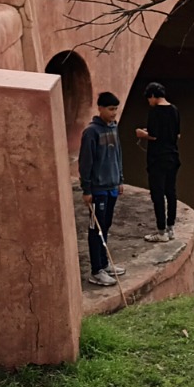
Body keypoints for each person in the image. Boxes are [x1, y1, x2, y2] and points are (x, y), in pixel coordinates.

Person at [78, 91, 126, 287]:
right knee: (96, 228)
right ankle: (96, 270)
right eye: (110, 109)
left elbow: (118, 155)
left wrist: (120, 179)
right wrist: (87, 189)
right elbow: (85, 163)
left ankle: (105, 264)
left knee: (105, 226)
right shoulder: (91, 132)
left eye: (116, 109)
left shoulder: (113, 127)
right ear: (100, 108)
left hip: (112, 186)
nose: (114, 113)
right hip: (97, 189)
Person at [134, 81, 181, 243]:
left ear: (153, 96)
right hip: (172, 156)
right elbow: (177, 135)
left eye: (149, 98)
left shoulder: (155, 112)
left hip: (157, 159)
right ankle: (171, 228)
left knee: (158, 194)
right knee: (171, 192)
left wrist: (142, 134)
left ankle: (161, 232)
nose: (149, 101)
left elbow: (154, 135)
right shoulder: (174, 110)